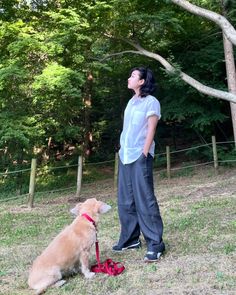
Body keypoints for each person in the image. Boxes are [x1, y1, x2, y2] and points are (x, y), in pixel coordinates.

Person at [112, 67, 165, 262]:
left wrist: (144, 152)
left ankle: (155, 243)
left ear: (142, 81)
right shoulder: (131, 101)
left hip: (140, 156)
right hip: (125, 156)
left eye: (133, 76)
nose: (129, 78)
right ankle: (130, 239)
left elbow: (151, 129)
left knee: (145, 199)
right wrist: (121, 150)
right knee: (125, 200)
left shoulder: (151, 102)